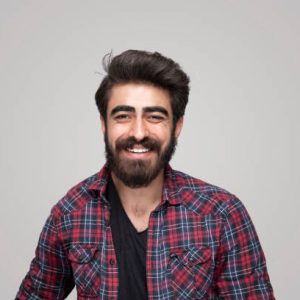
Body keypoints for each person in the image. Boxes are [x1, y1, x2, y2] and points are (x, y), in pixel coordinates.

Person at [16, 50, 275, 299]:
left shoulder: (222, 214)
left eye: (154, 116)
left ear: (177, 127)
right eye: (123, 115)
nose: (138, 132)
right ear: (104, 125)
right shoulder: (70, 214)